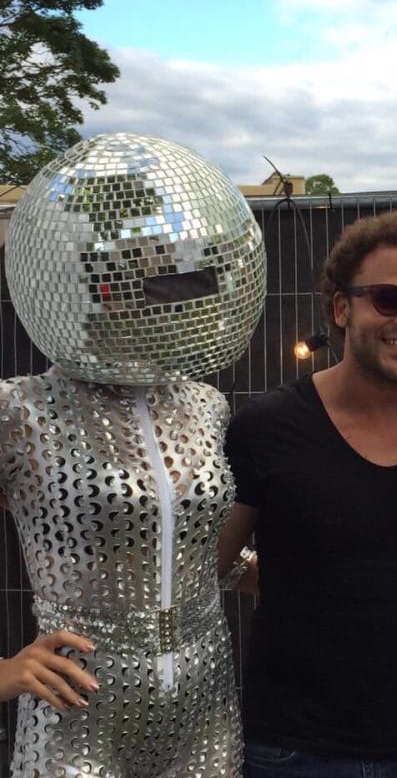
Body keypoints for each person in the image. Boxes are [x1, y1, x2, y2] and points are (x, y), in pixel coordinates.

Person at [0, 132, 267, 777]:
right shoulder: (21, 411)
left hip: (205, 704)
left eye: (182, 283)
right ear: (99, 289)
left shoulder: (205, 405)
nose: (167, 300)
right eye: (148, 282)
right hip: (78, 714)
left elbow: (187, 544)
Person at [219, 209, 397, 778]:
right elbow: (203, 567)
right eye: (388, 299)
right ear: (342, 309)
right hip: (292, 751)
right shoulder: (267, 426)